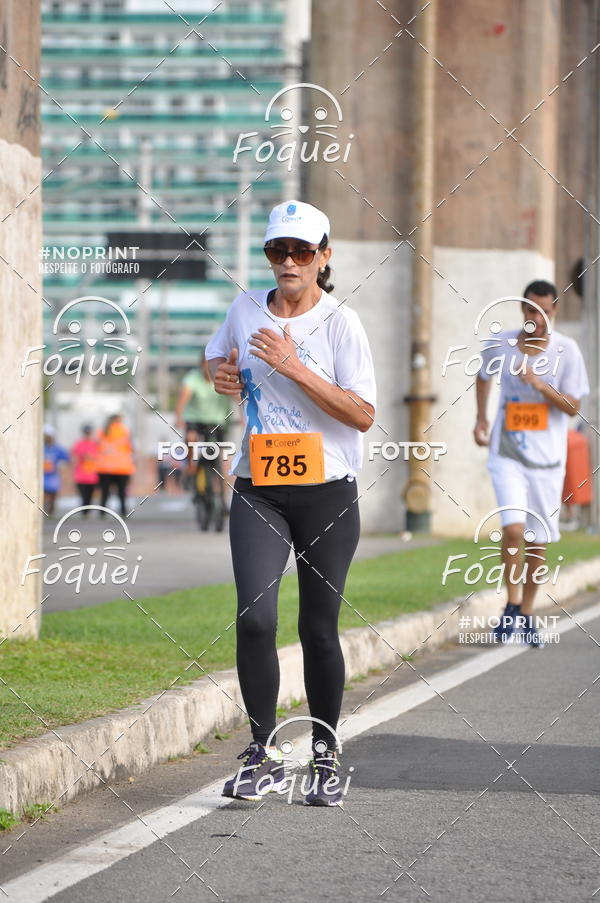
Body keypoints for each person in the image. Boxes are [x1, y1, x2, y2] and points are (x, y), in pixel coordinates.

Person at [205, 199, 376, 806]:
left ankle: (325, 755)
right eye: (278, 250)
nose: (289, 261)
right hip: (259, 488)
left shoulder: (341, 324)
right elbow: (217, 354)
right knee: (255, 618)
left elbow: (363, 414)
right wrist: (221, 374)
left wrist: (295, 367)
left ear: (324, 257)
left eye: (302, 251)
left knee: (318, 630)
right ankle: (265, 752)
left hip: (327, 495)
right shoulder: (245, 308)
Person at [474, 280, 590, 646]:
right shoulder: (502, 344)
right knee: (512, 529)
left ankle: (526, 612)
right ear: (522, 309)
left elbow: (573, 407)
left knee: (537, 540)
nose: (535, 319)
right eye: (529, 310)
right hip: (506, 453)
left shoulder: (567, 351)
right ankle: (511, 604)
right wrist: (481, 418)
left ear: (554, 311)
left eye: (543, 312)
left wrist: (541, 386)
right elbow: (483, 375)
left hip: (547, 461)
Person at [95, 414, 135, 517]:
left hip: (104, 467)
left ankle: (102, 512)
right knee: (121, 491)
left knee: (105, 491)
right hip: (122, 467)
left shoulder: (102, 431)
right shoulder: (125, 431)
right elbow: (130, 448)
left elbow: (97, 447)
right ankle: (123, 511)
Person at [71, 424, 99, 513]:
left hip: (92, 475)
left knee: (90, 494)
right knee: (83, 494)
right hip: (81, 474)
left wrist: (92, 457)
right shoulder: (79, 444)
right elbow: (74, 456)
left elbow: (99, 456)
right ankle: (84, 511)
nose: (87, 434)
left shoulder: (95, 444)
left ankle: (87, 510)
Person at [43, 424, 69, 515]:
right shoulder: (41, 447)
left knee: (53, 493)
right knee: (44, 493)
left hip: (53, 475)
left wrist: (61, 465)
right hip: (42, 475)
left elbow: (66, 459)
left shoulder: (57, 448)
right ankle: (44, 509)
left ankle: (51, 510)